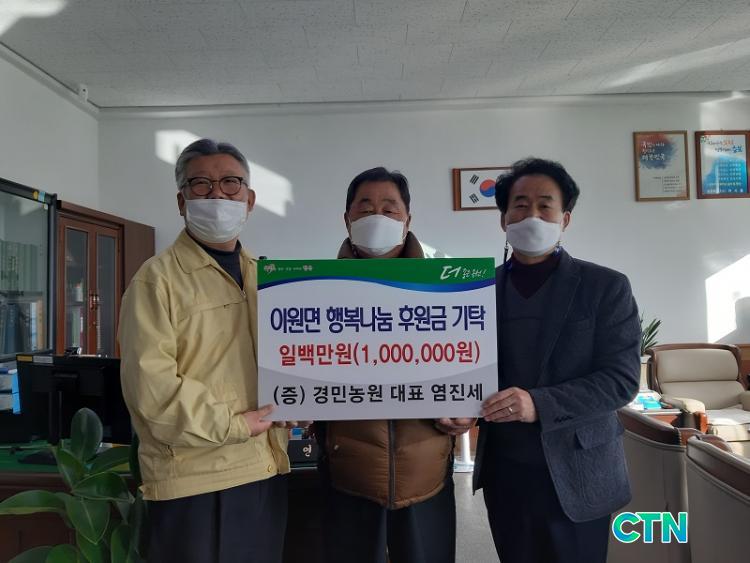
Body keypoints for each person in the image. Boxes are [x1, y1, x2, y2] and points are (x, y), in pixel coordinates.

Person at [118, 139, 291, 563]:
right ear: (182, 201)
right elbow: (152, 392)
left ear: (249, 199)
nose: (217, 195)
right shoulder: (156, 281)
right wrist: (236, 425)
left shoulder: (268, 278)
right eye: (201, 184)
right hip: (195, 482)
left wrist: (296, 401)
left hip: (262, 468)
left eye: (231, 183)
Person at [472, 157, 640, 563]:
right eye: (520, 204)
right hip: (506, 474)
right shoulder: (476, 291)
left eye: (544, 205)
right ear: (503, 219)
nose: (531, 215)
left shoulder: (606, 286)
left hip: (579, 472)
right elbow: (463, 368)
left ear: (565, 219)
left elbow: (620, 380)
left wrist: (538, 403)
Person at [315, 167, 460, 563]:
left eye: (389, 209)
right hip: (349, 472)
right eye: (365, 208)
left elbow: (469, 365)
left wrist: (470, 410)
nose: (376, 217)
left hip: (427, 471)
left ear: (407, 219)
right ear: (347, 219)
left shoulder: (446, 288)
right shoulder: (316, 292)